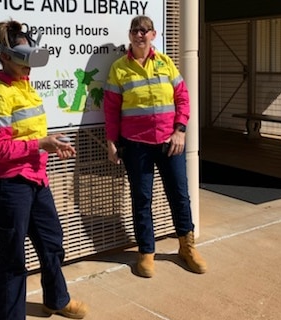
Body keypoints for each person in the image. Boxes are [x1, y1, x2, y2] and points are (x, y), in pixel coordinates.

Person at [0, 19, 88, 319]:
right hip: (10, 185)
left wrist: (53, 143)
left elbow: (31, 137)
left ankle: (56, 299)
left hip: (36, 181)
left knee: (52, 243)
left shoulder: (27, 89)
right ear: (4, 56)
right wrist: (40, 144)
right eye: (23, 58)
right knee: (13, 259)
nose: (29, 66)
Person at [103, 15, 207, 278]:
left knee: (180, 195)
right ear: (130, 35)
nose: (140, 34)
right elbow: (111, 109)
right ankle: (146, 252)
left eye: (144, 30)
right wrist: (111, 142)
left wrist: (180, 130)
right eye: (135, 30)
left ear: (153, 34)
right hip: (136, 145)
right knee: (142, 199)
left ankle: (187, 246)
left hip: (169, 143)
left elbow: (182, 98)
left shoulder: (166, 63)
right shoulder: (119, 68)